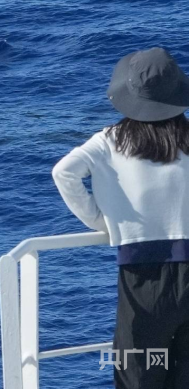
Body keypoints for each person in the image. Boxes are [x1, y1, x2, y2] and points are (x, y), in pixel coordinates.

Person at [52, 47, 189, 389]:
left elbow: (63, 173)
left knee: (136, 370)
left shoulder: (109, 141)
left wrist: (99, 220)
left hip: (142, 271)